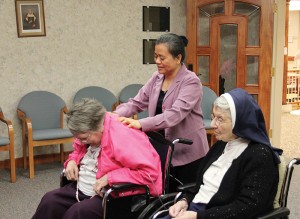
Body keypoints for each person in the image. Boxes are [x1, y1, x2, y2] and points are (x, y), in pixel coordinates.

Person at [157, 88, 282, 219]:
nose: (212, 124)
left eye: (220, 119)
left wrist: (198, 216)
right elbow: (200, 185)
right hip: (193, 211)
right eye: (213, 117)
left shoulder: (258, 155)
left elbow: (248, 206)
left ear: (239, 121)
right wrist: (184, 201)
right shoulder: (221, 145)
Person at [32, 98, 162, 219]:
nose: (82, 142)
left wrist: (110, 178)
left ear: (99, 127)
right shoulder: (90, 132)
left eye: (84, 138)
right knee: (50, 201)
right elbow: (78, 149)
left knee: (76, 213)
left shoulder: (123, 137)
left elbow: (149, 173)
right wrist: (72, 161)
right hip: (83, 187)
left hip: (113, 194)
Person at [114, 33, 209, 191]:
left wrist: (140, 123)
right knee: (162, 194)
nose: (157, 61)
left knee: (184, 197)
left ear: (178, 58)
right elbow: (136, 102)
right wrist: (115, 115)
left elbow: (174, 115)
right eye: (155, 56)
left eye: (162, 58)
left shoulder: (191, 81)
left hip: (188, 152)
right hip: (162, 148)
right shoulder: (157, 77)